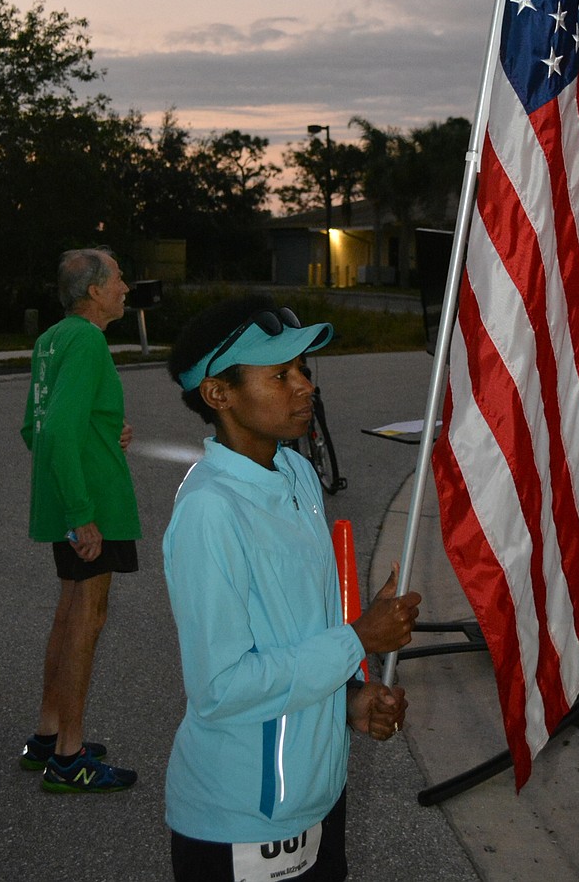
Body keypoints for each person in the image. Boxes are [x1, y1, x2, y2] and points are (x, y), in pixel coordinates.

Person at [164, 295, 421, 882]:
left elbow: (304, 630)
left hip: (319, 794)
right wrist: (357, 640)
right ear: (218, 394)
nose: (304, 386)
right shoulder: (210, 512)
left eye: (303, 369)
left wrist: (350, 701)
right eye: (279, 375)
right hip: (242, 820)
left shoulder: (297, 472)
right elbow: (221, 687)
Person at [19, 248, 141, 794]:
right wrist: (81, 514)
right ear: (94, 291)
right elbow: (58, 430)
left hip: (70, 497)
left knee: (70, 613)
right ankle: (69, 757)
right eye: (118, 279)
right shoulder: (88, 340)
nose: (125, 288)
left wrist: (103, 435)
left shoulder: (52, 340)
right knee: (86, 621)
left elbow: (37, 428)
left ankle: (48, 735)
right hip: (92, 506)